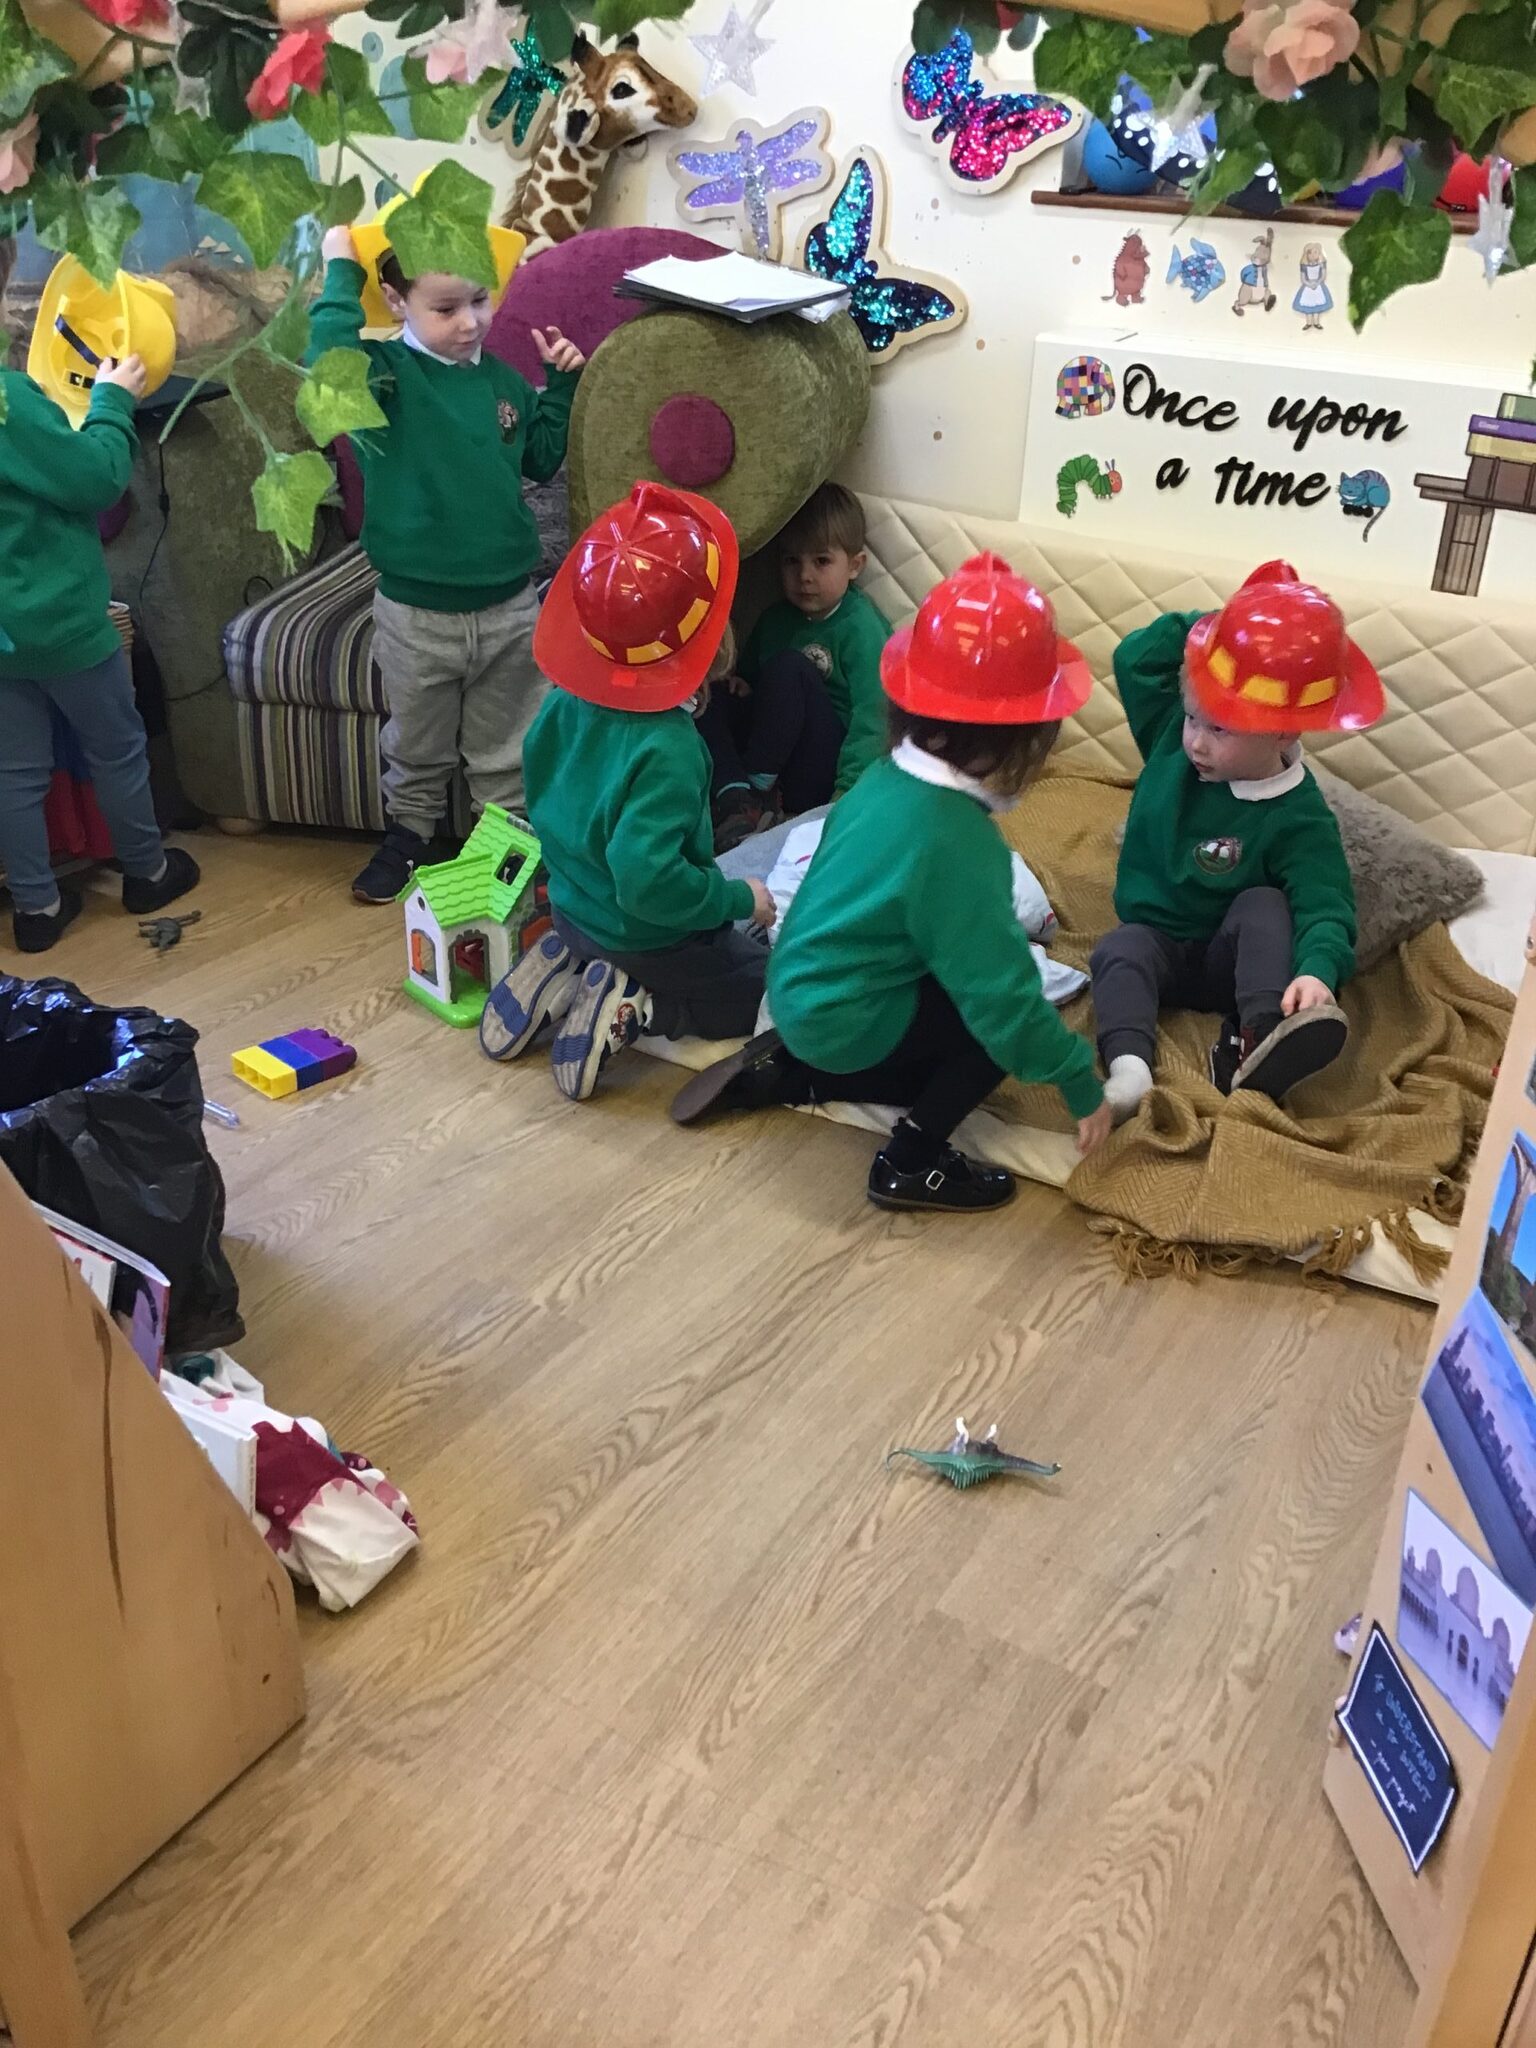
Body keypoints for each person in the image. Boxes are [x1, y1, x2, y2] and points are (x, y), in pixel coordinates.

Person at [670, 555, 1112, 1214]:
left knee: (928, 1006)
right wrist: (1078, 1081)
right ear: (1023, 740)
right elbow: (1004, 1002)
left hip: (794, 995)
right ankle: (911, 1161)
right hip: (849, 1020)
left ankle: (795, 1073)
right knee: (997, 1028)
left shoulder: (878, 781)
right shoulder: (962, 845)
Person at [313, 223, 585, 905]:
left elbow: (539, 457)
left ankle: (503, 851)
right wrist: (340, 273)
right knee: (417, 743)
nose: (469, 323)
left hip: (510, 607)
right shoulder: (382, 377)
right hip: (416, 615)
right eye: (444, 308)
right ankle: (410, 835)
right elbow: (327, 369)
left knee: (507, 749)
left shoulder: (502, 381)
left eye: (479, 300)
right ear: (395, 300)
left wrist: (560, 387)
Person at [479, 482, 776, 1101]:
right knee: (765, 991)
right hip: (647, 939)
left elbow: (546, 800)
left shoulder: (562, 703)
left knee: (626, 933)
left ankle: (566, 965)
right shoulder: (668, 748)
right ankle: (636, 1004)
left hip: (570, 908)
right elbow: (647, 882)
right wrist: (736, 899)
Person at [1090, 559, 1383, 1123]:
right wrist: (1223, 629)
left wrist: (1317, 971)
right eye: (1192, 720)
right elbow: (1133, 659)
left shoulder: (1299, 814)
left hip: (1235, 965)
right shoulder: (1171, 742)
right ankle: (1130, 1068)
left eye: (1220, 729)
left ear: (1283, 731)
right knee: (1118, 950)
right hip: (1155, 942)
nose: (1196, 742)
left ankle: (1261, 1039)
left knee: (1266, 904)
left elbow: (1325, 904)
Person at [0, 352, 198, 953]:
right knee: (117, 748)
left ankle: (36, 909)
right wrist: (112, 401)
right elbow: (96, 480)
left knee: (14, 772)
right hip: (64, 623)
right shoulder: (8, 402)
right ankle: (147, 873)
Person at [696, 482, 890, 850]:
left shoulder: (860, 626)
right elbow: (752, 681)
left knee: (790, 667)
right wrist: (741, 685)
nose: (804, 576)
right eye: (791, 561)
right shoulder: (775, 619)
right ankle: (732, 794)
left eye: (821, 561)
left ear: (855, 566)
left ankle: (755, 793)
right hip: (767, 754)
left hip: (817, 768)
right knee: (709, 691)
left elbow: (874, 715)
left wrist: (846, 792)